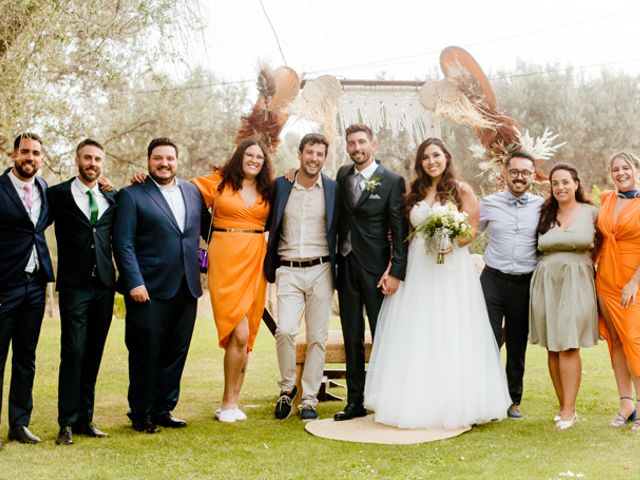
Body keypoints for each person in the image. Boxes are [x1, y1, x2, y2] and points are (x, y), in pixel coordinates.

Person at [365, 138, 510, 429]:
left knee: (450, 327)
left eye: (436, 155)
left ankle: (455, 401)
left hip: (450, 268)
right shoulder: (413, 192)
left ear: (446, 157)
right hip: (419, 266)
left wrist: (453, 243)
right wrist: (394, 265)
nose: (432, 161)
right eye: (426, 157)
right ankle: (414, 399)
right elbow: (403, 233)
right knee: (416, 327)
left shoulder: (461, 190)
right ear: (420, 163)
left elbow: (471, 230)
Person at [113, 137, 206, 433]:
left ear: (177, 161)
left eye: (169, 158)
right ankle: (141, 414)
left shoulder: (192, 192)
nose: (164, 163)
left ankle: (164, 408)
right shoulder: (132, 195)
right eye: (158, 159)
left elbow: (208, 229)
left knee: (175, 352)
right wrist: (134, 282)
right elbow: (123, 243)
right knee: (145, 352)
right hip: (148, 290)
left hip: (186, 286)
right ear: (148, 161)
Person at [191, 138, 273, 423]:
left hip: (255, 260)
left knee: (247, 334)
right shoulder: (220, 182)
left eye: (259, 157)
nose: (253, 160)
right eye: (249, 155)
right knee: (236, 332)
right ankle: (227, 402)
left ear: (264, 163)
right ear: (239, 157)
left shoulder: (268, 189)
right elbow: (183, 191)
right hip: (225, 259)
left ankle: (235, 402)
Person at [334, 123, 408, 421]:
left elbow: (399, 229)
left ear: (373, 144)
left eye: (361, 142)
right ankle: (355, 402)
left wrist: (396, 272)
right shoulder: (342, 175)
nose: (356, 148)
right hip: (346, 264)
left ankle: (389, 399)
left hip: (377, 270)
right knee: (351, 334)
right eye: (351, 143)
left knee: (383, 335)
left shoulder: (392, 180)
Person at [265, 133, 339, 421]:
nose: (314, 158)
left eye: (319, 154)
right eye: (310, 152)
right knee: (284, 330)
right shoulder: (282, 186)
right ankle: (287, 390)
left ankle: (309, 398)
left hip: (322, 269)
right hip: (288, 269)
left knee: (317, 337)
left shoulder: (333, 189)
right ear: (300, 153)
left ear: (324, 157)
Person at [47, 139, 117, 445]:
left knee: (93, 352)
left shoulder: (111, 197)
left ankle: (87, 418)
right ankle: (66, 422)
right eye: (87, 158)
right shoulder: (57, 195)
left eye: (98, 159)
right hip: (75, 286)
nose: (93, 163)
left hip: (104, 285)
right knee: (73, 351)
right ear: (77, 160)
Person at [529, 163, 598, 430]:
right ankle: (563, 406)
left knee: (569, 344)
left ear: (576, 183)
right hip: (546, 281)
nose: (560, 187)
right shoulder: (544, 213)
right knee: (553, 346)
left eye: (565, 182)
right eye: (555, 183)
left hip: (577, 281)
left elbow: (607, 244)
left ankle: (570, 409)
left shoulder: (591, 213)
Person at [479, 150, 543, 420]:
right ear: (504, 174)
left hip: (523, 284)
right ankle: (484, 398)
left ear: (532, 176)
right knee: (486, 340)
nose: (519, 177)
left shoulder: (543, 206)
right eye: (514, 172)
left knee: (517, 344)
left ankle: (513, 400)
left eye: (525, 173)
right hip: (492, 280)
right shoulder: (488, 203)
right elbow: (468, 233)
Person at [0, 133, 54, 447]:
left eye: (35, 153)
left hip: (34, 286)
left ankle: (19, 424)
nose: (30, 157)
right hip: (4, 286)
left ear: (41, 158)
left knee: (26, 358)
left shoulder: (44, 188)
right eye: (24, 152)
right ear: (13, 154)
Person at [596, 151, 640, 430]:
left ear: (636, 168)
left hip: (632, 282)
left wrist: (636, 281)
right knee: (616, 341)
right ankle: (626, 403)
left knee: (634, 340)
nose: (621, 173)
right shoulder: (606, 199)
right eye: (615, 169)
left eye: (626, 167)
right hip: (605, 280)